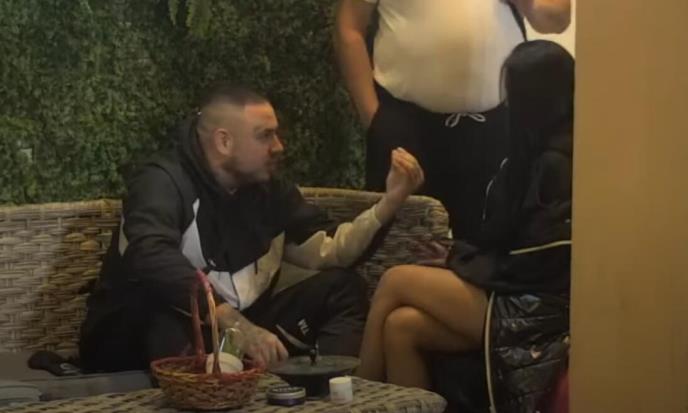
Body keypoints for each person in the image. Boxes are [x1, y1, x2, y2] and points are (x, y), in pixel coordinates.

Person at [79, 83, 424, 372]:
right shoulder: (163, 181)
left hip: (235, 332)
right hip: (141, 338)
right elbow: (150, 254)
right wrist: (231, 321)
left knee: (342, 289)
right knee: (163, 317)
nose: (279, 146)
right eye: (265, 136)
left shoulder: (268, 190)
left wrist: (390, 202)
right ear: (224, 141)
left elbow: (330, 251)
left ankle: (331, 395)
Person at [355, 40, 574, 410]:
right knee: (401, 328)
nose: (505, 105)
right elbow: (506, 238)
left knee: (395, 280)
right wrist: (462, 257)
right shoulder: (537, 154)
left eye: (511, 94)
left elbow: (537, 260)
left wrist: (461, 262)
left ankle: (354, 400)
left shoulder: (559, 163)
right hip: (518, 291)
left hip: (539, 309)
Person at [334, 0, 571, 242]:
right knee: (399, 245)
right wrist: (376, 121)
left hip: (495, 132)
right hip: (406, 130)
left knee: (491, 247)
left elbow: (559, 19)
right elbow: (349, 28)